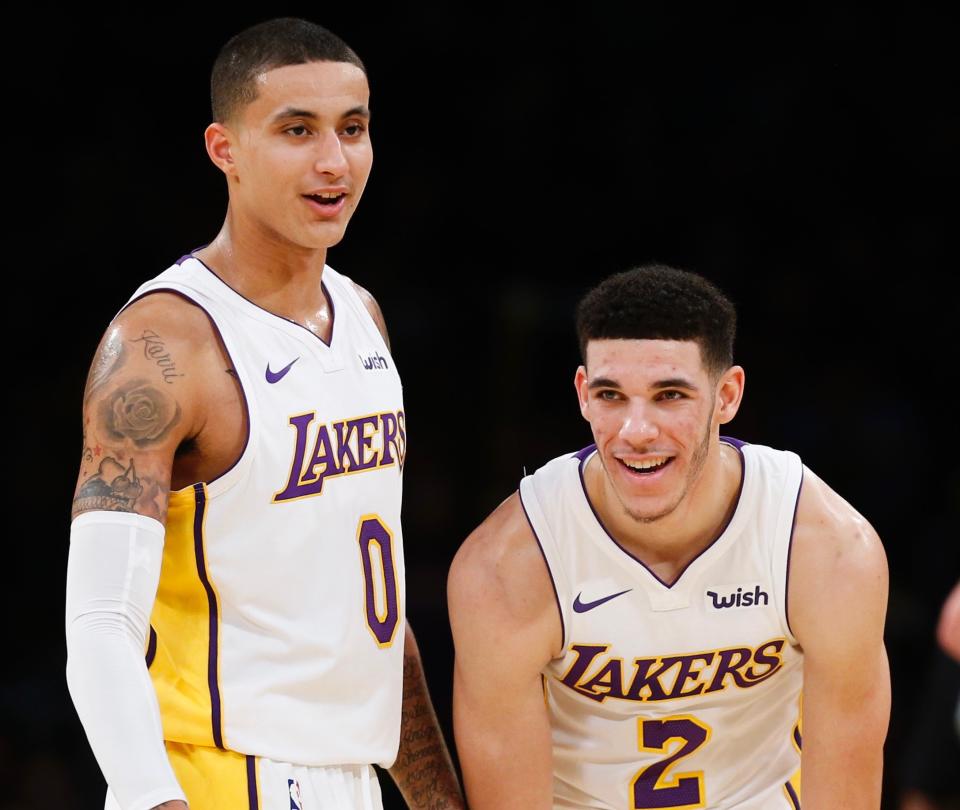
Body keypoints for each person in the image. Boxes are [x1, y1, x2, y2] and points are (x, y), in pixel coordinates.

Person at [66, 18, 463, 810]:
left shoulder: (362, 316)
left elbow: (368, 611)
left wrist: (436, 798)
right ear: (225, 150)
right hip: (218, 775)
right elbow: (101, 621)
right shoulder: (162, 341)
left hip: (350, 774)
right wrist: (152, 797)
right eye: (296, 130)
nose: (333, 161)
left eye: (354, 129)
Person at [448, 264, 890, 809]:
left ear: (727, 395)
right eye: (612, 396)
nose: (636, 431)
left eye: (670, 396)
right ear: (583, 394)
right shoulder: (508, 567)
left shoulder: (826, 548)